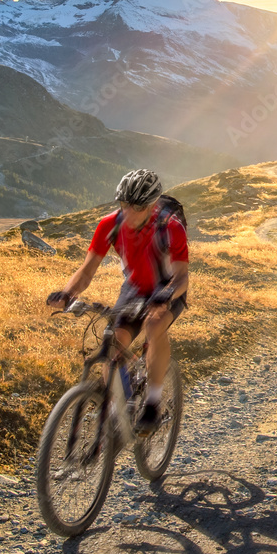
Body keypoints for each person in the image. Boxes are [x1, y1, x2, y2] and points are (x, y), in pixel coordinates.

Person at [46, 168, 188, 434]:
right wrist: (67, 293)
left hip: (168, 289)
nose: (129, 212)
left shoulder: (171, 228)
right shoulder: (109, 225)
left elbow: (182, 278)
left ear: (151, 205)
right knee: (114, 341)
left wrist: (165, 295)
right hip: (134, 289)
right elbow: (87, 271)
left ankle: (152, 405)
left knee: (155, 325)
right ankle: (116, 411)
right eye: (124, 204)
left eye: (137, 207)